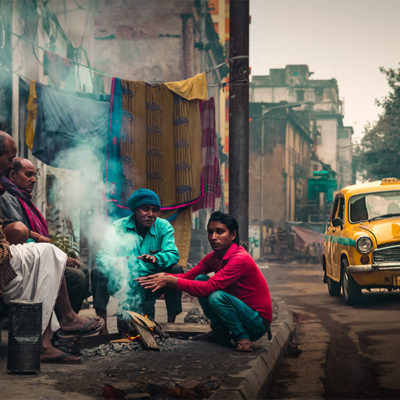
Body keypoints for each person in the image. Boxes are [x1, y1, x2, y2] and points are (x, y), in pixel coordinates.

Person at [0, 131, 104, 364]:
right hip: (4, 254)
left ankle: (57, 332)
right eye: (10, 158)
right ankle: (58, 330)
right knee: (51, 256)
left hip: (8, 252)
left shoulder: (9, 192)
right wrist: (28, 236)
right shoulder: (7, 195)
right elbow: (14, 232)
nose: (34, 180)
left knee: (53, 255)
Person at [137, 211, 273, 352]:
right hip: (241, 314)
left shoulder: (239, 258)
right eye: (210, 232)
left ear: (233, 235)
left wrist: (169, 280)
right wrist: (161, 276)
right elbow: (189, 276)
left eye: (220, 232)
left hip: (257, 322)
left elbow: (209, 287)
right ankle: (220, 333)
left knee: (216, 296)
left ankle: (243, 338)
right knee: (200, 278)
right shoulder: (214, 257)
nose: (213, 237)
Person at [0, 157, 89, 314]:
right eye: (28, 175)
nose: (33, 180)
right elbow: (20, 237)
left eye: (35, 175)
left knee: (82, 268)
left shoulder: (24, 199)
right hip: (22, 263)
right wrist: (53, 257)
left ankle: (65, 322)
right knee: (76, 278)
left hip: (33, 255)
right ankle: (63, 324)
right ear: (12, 175)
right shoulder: (8, 197)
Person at [93, 188, 183, 334]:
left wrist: (157, 258)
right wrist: (115, 262)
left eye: (154, 210)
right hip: (124, 282)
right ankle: (102, 326)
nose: (151, 214)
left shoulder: (163, 226)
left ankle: (171, 325)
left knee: (176, 270)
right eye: (145, 209)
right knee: (98, 273)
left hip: (153, 281)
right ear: (135, 210)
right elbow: (102, 257)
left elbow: (173, 254)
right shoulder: (118, 227)